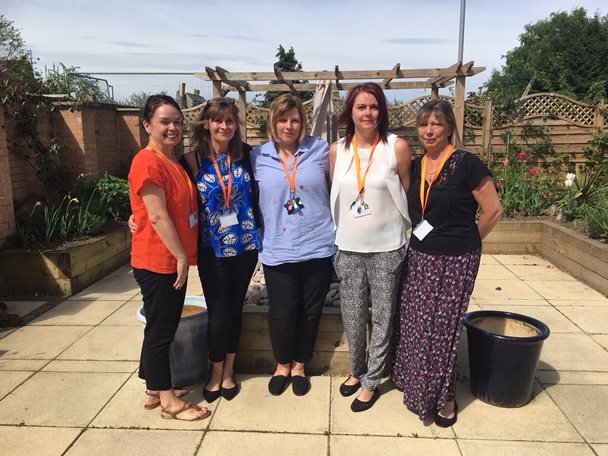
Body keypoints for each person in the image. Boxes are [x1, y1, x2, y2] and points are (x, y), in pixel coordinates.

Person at [391, 99, 503, 426]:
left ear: (449, 127)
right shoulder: (416, 164)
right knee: (417, 325)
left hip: (456, 260)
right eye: (424, 124)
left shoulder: (467, 163)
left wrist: (468, 243)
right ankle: (417, 387)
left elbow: (493, 211)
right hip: (420, 256)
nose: (429, 130)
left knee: (443, 330)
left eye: (436, 124)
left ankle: (445, 398)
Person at [329, 82, 412, 412]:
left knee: (382, 316)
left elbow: (405, 191)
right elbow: (334, 190)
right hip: (348, 247)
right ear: (351, 111)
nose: (368, 113)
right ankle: (356, 369)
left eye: (374, 106)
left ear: (382, 111)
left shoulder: (397, 147)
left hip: (387, 248)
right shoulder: (338, 150)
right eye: (361, 107)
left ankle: (372, 379)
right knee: (351, 314)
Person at [128, 94, 210, 421]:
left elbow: (146, 210)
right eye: (165, 121)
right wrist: (179, 257)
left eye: (177, 121)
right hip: (159, 261)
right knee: (163, 332)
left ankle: (152, 390)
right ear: (147, 125)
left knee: (160, 327)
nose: (173, 127)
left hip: (170, 259)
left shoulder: (170, 161)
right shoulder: (147, 161)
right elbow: (158, 217)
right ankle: (168, 402)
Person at [250, 94, 336, 396]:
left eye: (295, 119)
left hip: (318, 244)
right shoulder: (258, 156)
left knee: (310, 312)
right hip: (277, 247)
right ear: (273, 122)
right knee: (282, 312)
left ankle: (299, 365)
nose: (289, 125)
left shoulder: (321, 150)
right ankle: (282, 364)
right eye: (283, 119)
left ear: (303, 123)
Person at [181, 98, 260, 403]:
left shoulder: (248, 156)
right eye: (218, 121)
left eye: (229, 121)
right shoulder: (191, 161)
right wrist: (138, 216)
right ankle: (215, 373)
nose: (224, 126)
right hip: (211, 249)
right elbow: (171, 195)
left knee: (235, 308)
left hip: (244, 247)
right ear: (206, 124)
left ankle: (229, 371)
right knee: (218, 311)